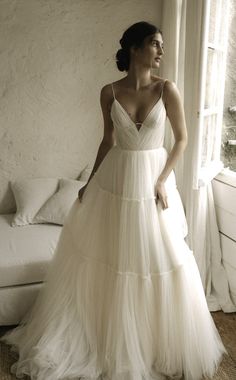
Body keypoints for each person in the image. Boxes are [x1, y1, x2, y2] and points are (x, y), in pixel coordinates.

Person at [1, 21, 227, 380]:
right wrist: (88, 183)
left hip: (153, 179)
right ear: (136, 48)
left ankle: (154, 341)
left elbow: (182, 139)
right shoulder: (108, 91)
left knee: (161, 258)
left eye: (162, 45)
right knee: (113, 258)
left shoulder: (168, 89)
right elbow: (107, 140)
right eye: (155, 44)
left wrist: (162, 180)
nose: (161, 51)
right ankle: (112, 338)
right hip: (117, 180)